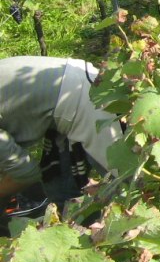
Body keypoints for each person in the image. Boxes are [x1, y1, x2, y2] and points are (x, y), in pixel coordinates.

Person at [0, 57, 123, 213]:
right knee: (60, 194)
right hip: (69, 82)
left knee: (127, 188)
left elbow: (25, 173)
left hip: (87, 100)